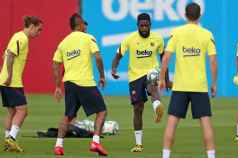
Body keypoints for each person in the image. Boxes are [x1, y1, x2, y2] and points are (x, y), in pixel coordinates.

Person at [159, 3, 217, 158]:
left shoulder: (176, 32)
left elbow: (166, 58)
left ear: (185, 15)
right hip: (199, 86)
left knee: (172, 122)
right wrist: (214, 84)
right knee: (205, 123)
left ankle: (166, 156)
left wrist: (162, 79)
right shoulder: (207, 34)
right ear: (200, 15)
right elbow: (213, 62)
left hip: (180, 86)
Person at [52, 13, 108, 156]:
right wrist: (102, 76)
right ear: (80, 24)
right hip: (85, 82)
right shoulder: (88, 38)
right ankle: (95, 142)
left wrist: (58, 86)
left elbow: (55, 65)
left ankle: (58, 145)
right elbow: (98, 57)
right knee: (102, 112)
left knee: (68, 115)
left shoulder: (63, 43)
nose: (86, 26)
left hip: (69, 83)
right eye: (85, 24)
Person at [111, 13, 166, 152]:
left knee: (152, 86)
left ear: (150, 25)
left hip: (151, 71)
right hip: (134, 77)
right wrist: (113, 68)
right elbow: (118, 55)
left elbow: (163, 58)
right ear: (137, 26)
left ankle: (157, 108)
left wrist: (166, 78)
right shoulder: (129, 39)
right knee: (137, 108)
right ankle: (138, 144)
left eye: (146, 25)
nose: (144, 28)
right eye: (141, 25)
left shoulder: (158, 39)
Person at [0, 16, 43, 152]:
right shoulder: (22, 38)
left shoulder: (17, 37)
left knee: (12, 112)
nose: (39, 33)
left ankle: (8, 143)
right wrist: (10, 75)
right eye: (38, 29)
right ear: (31, 26)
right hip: (11, 81)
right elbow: (11, 55)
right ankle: (11, 138)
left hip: (7, 80)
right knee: (22, 110)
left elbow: (5, 55)